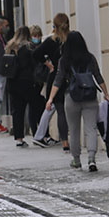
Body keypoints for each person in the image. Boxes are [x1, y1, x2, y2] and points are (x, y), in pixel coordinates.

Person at [46, 31, 109, 172]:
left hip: (72, 97)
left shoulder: (64, 60)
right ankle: (91, 159)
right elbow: (98, 77)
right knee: (91, 128)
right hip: (90, 96)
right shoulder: (90, 58)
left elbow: (58, 80)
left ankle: (76, 160)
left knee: (74, 129)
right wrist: (106, 94)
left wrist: (51, 98)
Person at [33, 14, 70, 150]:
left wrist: (48, 63)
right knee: (60, 109)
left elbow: (36, 54)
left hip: (55, 76)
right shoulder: (70, 39)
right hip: (68, 76)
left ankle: (63, 140)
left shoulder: (51, 41)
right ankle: (63, 139)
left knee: (57, 108)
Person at [5, 27, 40, 147]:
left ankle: (19, 138)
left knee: (17, 111)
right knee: (35, 107)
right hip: (27, 81)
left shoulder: (10, 47)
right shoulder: (29, 47)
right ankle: (38, 134)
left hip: (12, 82)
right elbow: (34, 64)